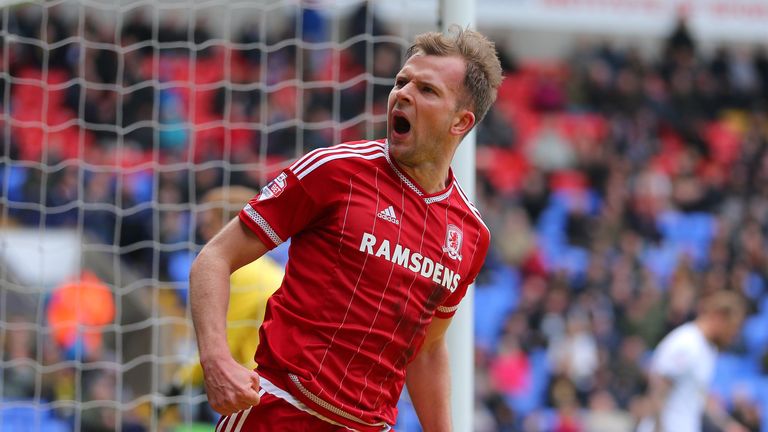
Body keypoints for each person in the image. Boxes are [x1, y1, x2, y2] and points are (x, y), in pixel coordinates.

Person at [189, 26, 502, 431]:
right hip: (280, 412)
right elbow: (213, 257)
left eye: (427, 90)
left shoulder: (471, 234)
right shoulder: (336, 171)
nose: (403, 94)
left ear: (461, 122)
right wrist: (215, 359)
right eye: (401, 82)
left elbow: (426, 350)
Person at [637, 290, 748, 432]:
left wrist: (728, 425)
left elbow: (699, 397)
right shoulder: (686, 342)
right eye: (733, 328)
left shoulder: (708, 349)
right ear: (719, 317)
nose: (733, 336)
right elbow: (658, 390)